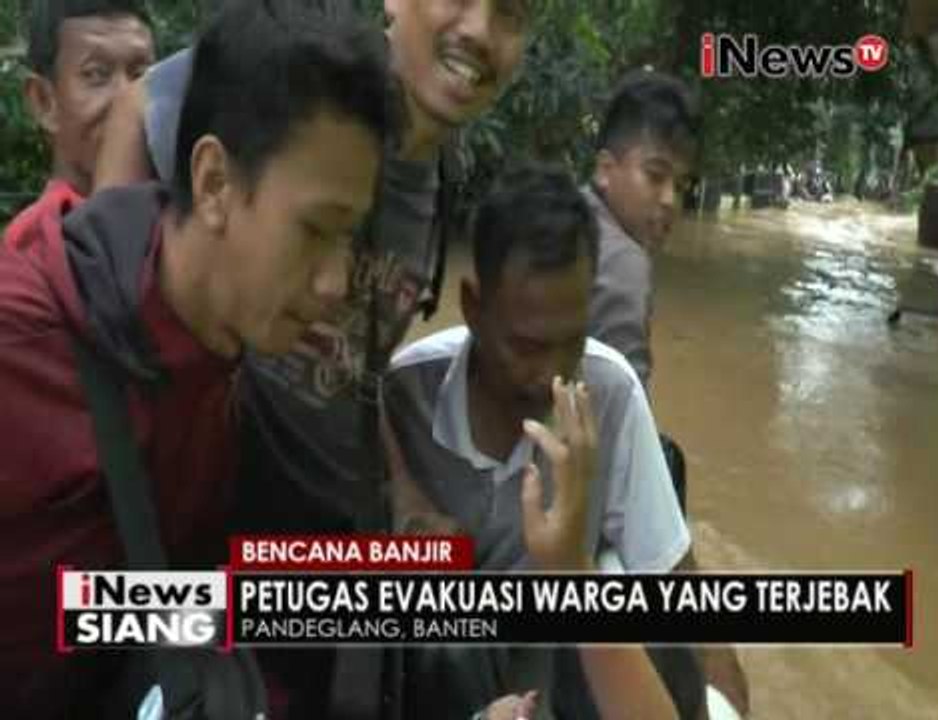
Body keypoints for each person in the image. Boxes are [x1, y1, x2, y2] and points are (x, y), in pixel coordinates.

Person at [93, 0, 533, 713]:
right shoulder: (311, 87)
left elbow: (356, 369)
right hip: (226, 507)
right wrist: (111, 333)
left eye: (513, 14)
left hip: (334, 514)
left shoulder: (439, 181)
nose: (481, 31)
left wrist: (408, 496)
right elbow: (137, 106)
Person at [0, 1, 395, 716]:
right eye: (314, 231)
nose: (337, 283)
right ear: (213, 181)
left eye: (351, 239)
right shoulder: (24, 339)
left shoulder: (230, 358)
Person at [382, 165, 687, 719]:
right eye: (524, 346)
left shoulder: (610, 391)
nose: (548, 373)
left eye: (570, 342)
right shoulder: (406, 394)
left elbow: (672, 579)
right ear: (473, 307)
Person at [583, 70, 750, 718]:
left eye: (681, 183)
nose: (671, 199)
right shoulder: (623, 266)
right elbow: (632, 447)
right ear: (606, 168)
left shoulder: (571, 225)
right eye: (655, 175)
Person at [3, 0, 155, 251]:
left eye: (140, 75)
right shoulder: (34, 245)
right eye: (96, 74)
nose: (127, 99)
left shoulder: (184, 215)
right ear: (44, 102)